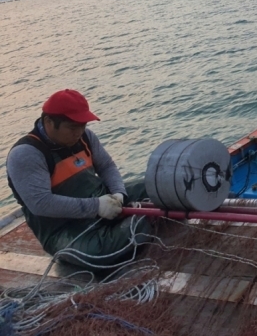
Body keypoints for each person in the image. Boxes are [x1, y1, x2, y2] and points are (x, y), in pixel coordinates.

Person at [6, 89, 152, 270]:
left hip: (104, 199)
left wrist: (118, 193)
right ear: (49, 122)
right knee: (103, 254)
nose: (79, 132)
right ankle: (142, 222)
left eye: (83, 125)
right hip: (64, 229)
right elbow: (41, 203)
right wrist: (96, 207)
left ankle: (135, 222)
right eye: (73, 127)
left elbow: (106, 166)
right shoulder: (27, 154)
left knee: (155, 186)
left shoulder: (85, 137)